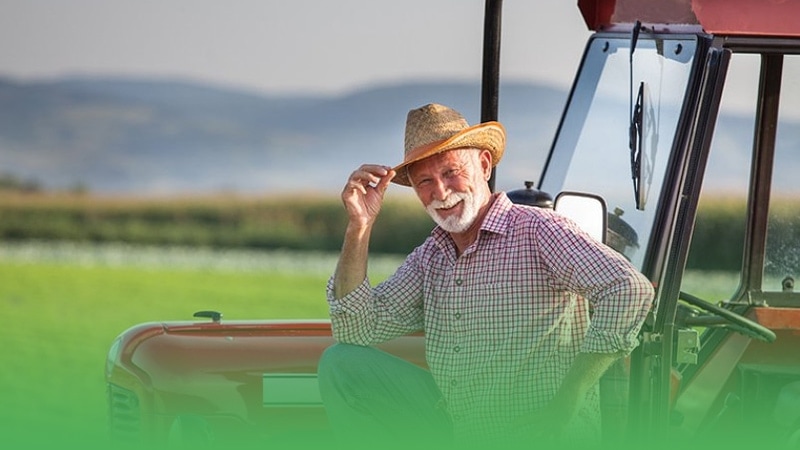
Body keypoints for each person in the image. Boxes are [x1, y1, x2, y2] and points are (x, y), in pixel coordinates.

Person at [317, 103, 654, 448]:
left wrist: (571, 398)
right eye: (425, 182)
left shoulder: (539, 231)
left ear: (483, 164)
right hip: (463, 430)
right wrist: (360, 225)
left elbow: (629, 289)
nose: (442, 193)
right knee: (342, 364)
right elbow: (355, 329)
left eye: (450, 173)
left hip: (541, 432)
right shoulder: (430, 257)